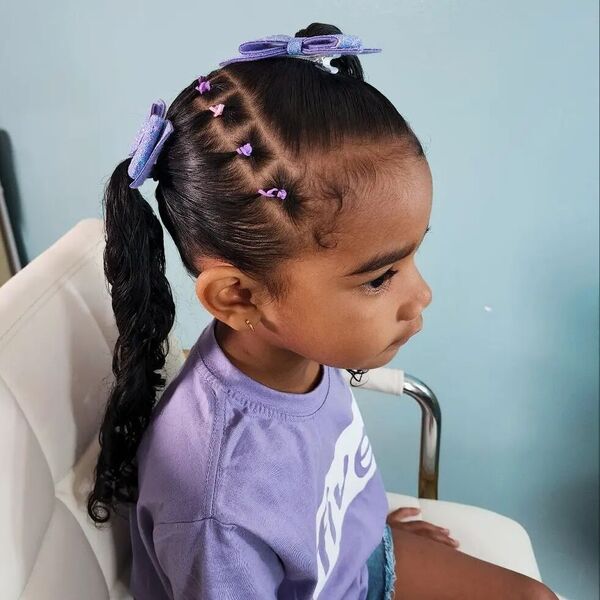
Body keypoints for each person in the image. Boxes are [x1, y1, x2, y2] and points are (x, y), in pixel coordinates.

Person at [87, 21, 559, 600]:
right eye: (381, 277)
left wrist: (361, 526)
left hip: (353, 557)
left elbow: (313, 480)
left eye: (413, 256)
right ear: (239, 297)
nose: (422, 296)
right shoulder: (217, 506)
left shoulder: (300, 347)